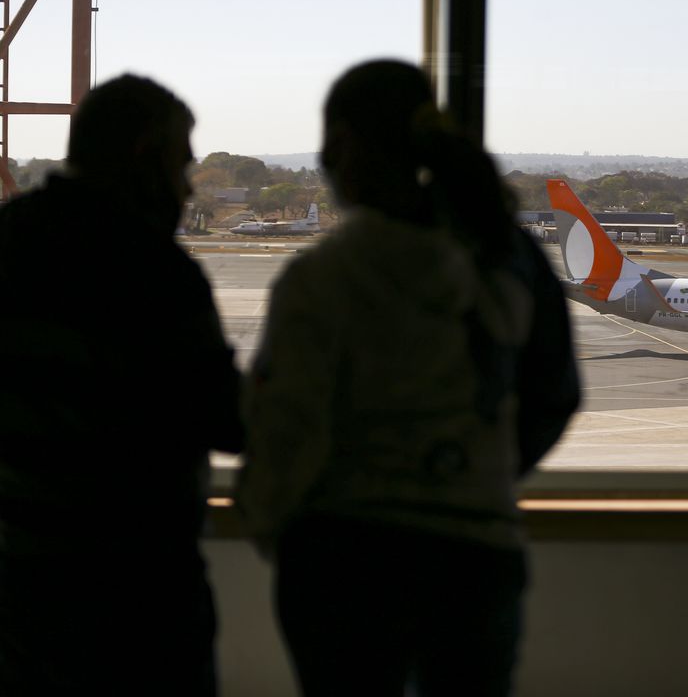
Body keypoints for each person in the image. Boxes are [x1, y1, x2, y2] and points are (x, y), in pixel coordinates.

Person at [238, 59, 579, 696]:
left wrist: (274, 526)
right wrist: (471, 479)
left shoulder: (324, 278)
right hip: (477, 562)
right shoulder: (512, 260)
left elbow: (286, 429)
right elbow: (554, 396)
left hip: (344, 566)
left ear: (340, 146)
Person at [0, 75, 244, 695]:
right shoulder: (155, 272)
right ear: (146, 156)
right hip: (139, 589)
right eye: (181, 164)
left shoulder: (9, 242)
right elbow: (228, 422)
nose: (187, 188)